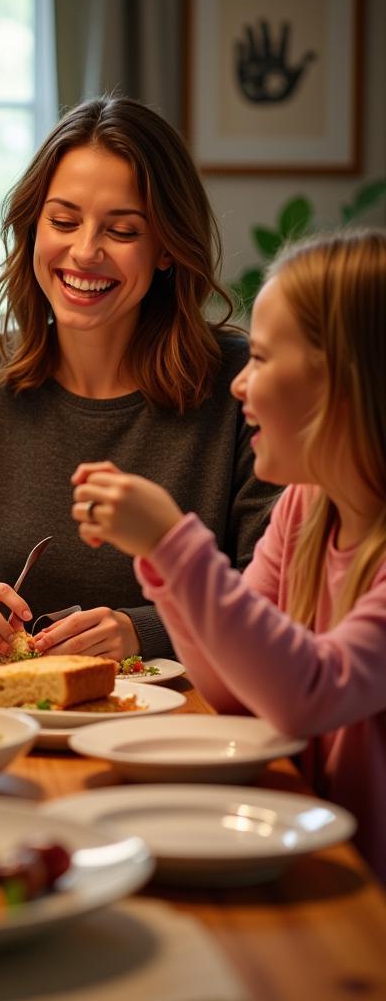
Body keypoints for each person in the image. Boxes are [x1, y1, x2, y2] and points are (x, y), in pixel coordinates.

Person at [0, 96, 279, 660]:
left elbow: (275, 590)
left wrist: (144, 629)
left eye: (123, 230)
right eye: (63, 221)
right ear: (32, 229)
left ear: (166, 248)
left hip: (199, 709)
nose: (85, 252)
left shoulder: (240, 383)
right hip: (22, 712)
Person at [71, 229, 386, 880]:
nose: (239, 385)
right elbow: (236, 689)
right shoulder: (306, 507)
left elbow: (312, 692)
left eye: (264, 359)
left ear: (345, 383)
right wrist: (160, 566)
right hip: (314, 857)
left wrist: (173, 541)